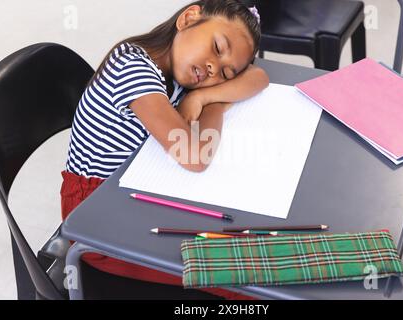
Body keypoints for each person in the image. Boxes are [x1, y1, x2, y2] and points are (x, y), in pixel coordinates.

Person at [60, 0, 269, 299]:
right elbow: (194, 156)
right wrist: (216, 102)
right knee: (243, 280)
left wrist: (203, 96)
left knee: (245, 235)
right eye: (216, 47)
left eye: (225, 73)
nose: (213, 68)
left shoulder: (179, 66)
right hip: (96, 220)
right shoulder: (134, 70)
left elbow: (259, 77)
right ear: (188, 18)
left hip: (138, 189)